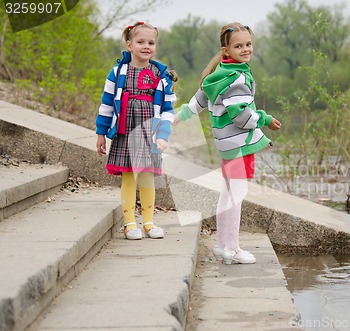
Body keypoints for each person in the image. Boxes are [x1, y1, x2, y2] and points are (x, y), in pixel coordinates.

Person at [174, 22, 281, 264]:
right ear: (226, 51)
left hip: (227, 145)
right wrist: (265, 119)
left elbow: (196, 103)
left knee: (228, 192)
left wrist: (176, 118)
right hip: (240, 144)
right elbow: (240, 116)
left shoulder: (217, 75)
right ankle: (232, 248)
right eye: (239, 46)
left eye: (248, 44)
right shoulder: (238, 78)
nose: (246, 49)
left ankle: (223, 245)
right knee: (236, 195)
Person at [95, 22, 177, 240]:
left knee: (148, 178)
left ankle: (149, 222)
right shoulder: (118, 72)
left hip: (149, 133)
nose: (146, 46)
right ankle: (130, 223)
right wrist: (101, 133)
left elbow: (168, 109)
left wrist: (162, 135)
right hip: (125, 131)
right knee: (129, 177)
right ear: (129, 45)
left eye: (151, 42)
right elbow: (106, 105)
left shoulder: (161, 75)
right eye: (141, 42)